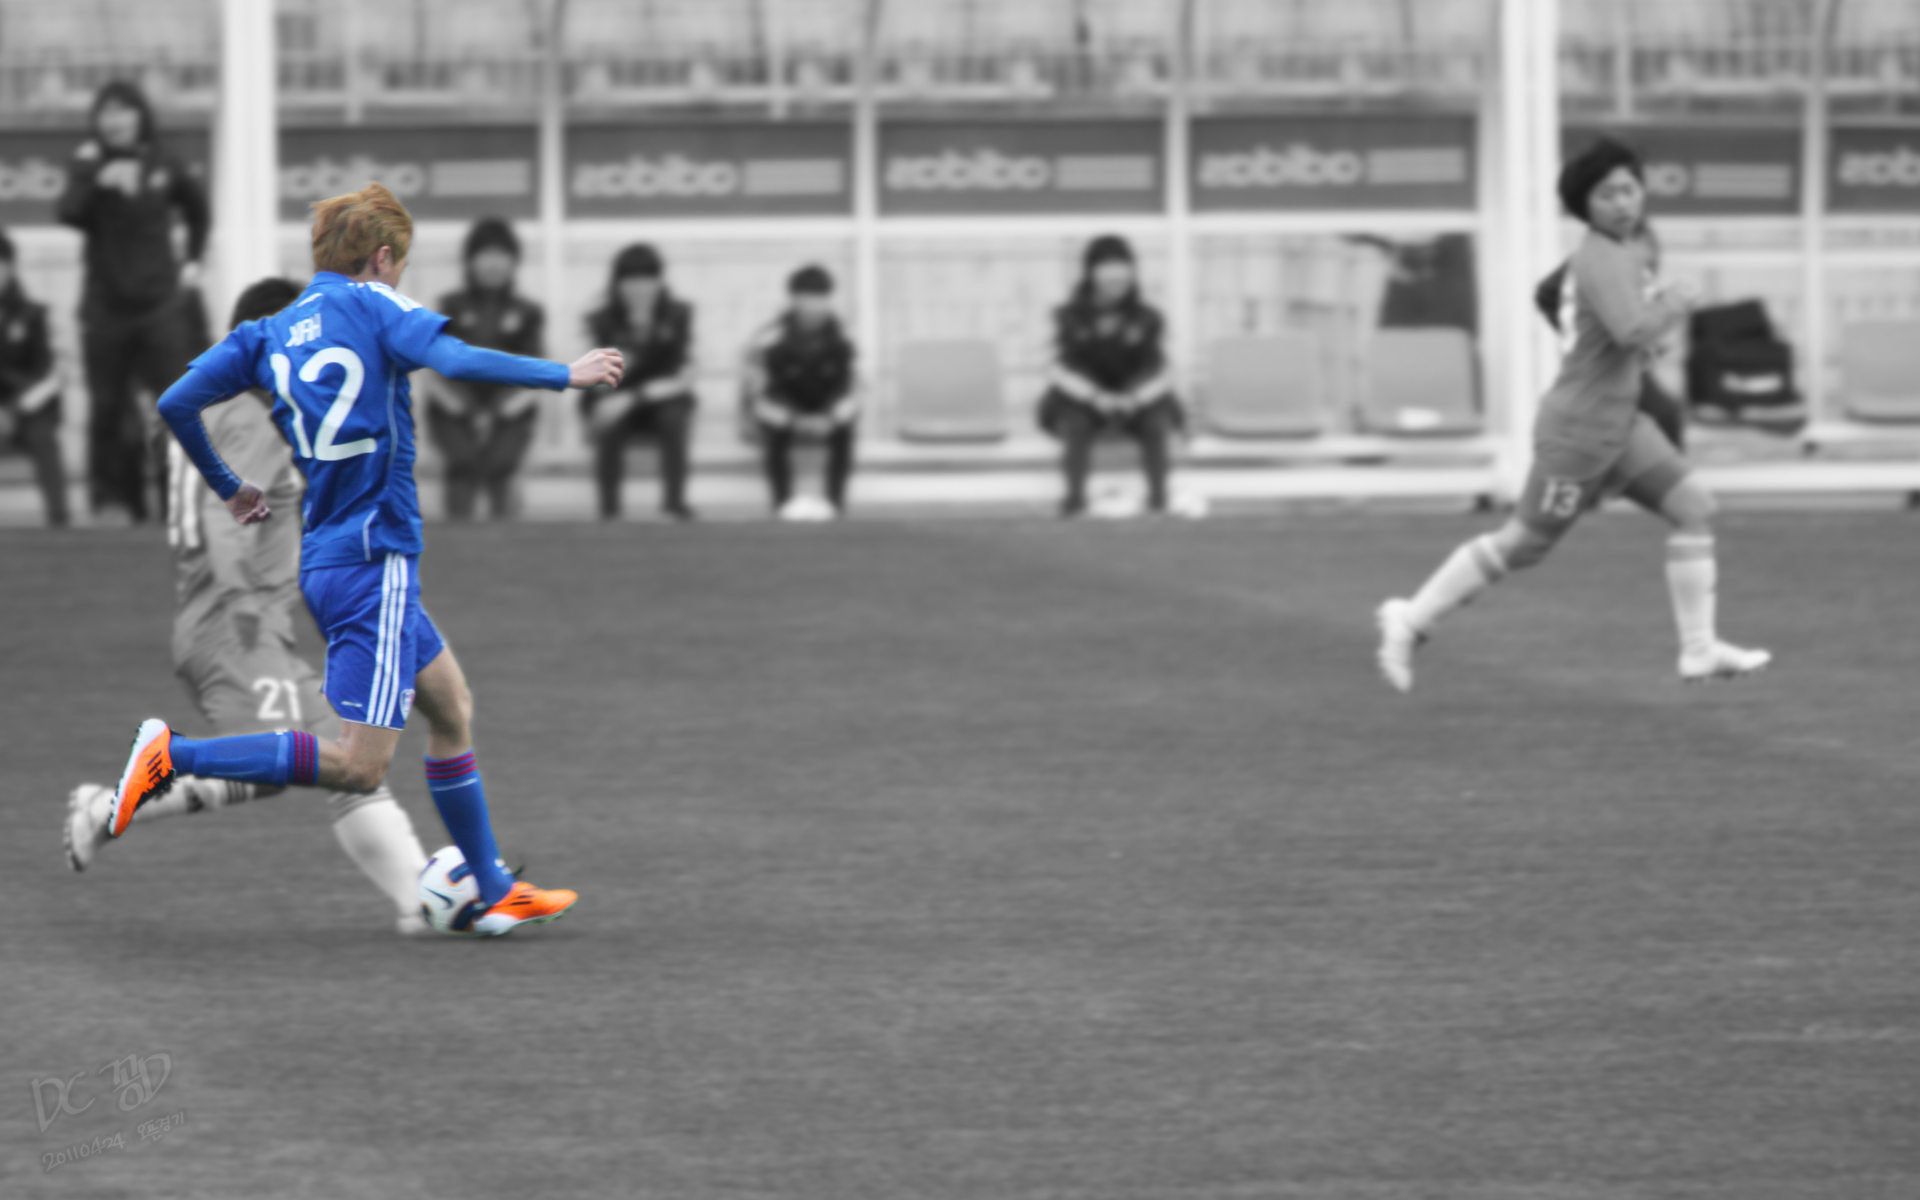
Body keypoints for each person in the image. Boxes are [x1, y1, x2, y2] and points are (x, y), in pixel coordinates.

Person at [103, 182, 624, 937]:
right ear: (381, 258)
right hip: (374, 561)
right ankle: (173, 757)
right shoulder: (376, 305)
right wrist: (563, 375)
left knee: (450, 705)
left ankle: (493, 889)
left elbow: (176, 402)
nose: (400, 277)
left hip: (330, 558)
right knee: (358, 765)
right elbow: (454, 357)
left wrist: (230, 487)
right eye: (400, 264)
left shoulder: (265, 333)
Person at [65, 278, 432, 936]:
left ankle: (419, 904)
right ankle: (110, 806)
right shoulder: (250, 417)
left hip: (229, 620)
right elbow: (224, 512)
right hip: (233, 624)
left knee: (349, 761)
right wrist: (243, 603)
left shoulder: (211, 408)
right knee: (287, 768)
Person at [1375, 138, 1771, 691]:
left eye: (1629, 189)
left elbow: (1567, 304)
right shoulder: (1603, 256)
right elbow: (1631, 329)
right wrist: (1674, 302)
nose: (1622, 202)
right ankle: (1410, 620)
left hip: (1620, 422)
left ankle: (1699, 650)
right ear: (1584, 205)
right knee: (1525, 543)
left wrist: (1615, 341)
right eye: (1606, 194)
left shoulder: (1618, 254)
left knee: (1694, 507)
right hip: (1581, 432)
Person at [58, 80, 208, 524]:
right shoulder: (87, 162)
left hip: (160, 308)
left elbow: (199, 210)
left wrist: (193, 262)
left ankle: (176, 501)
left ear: (140, 116)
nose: (115, 121)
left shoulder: (164, 161)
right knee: (108, 408)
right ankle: (115, 503)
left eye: (124, 111)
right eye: (106, 112)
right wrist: (95, 179)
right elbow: (69, 212)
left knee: (172, 405)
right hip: (105, 309)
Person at [1039, 235, 1182, 517]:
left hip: (1135, 403)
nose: (1116, 279)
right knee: (1075, 422)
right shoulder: (1067, 316)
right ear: (1091, 272)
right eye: (1108, 269)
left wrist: (1135, 398)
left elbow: (1163, 371)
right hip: (1082, 401)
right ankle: (1074, 505)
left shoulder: (1149, 318)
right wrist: (1095, 397)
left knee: (1157, 421)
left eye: (1122, 270)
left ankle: (1159, 503)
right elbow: (1055, 369)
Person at [419, 217, 546, 520]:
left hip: (510, 411)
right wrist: (466, 411)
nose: (493, 264)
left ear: (513, 261)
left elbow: (536, 373)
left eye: (501, 255)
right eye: (485, 254)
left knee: (500, 464)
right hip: (454, 409)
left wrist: (498, 413)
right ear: (470, 260)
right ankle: (458, 535)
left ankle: (507, 536)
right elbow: (432, 370)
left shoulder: (529, 312)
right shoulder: (449, 306)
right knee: (464, 464)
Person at [582, 244, 696, 521]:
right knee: (609, 417)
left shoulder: (678, 314)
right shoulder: (602, 320)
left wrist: (634, 398)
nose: (639, 289)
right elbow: (595, 382)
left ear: (659, 282)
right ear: (617, 284)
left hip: (660, 400)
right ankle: (610, 513)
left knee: (673, 415)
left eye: (647, 280)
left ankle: (674, 507)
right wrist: (622, 365)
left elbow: (684, 378)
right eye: (631, 281)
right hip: (614, 399)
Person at [743, 265, 858, 519]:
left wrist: (831, 417)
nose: (814, 307)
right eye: (807, 299)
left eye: (821, 299)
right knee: (772, 431)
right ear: (794, 300)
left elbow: (853, 388)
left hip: (827, 412)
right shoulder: (768, 338)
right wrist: (793, 419)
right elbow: (757, 393)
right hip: (784, 412)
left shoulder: (844, 337)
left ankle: (835, 507)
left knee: (847, 427)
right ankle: (782, 506)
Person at [0, 229, 68, 526]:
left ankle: (59, 520)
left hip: (27, 408)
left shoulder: (33, 315)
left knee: (42, 435)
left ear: (9, 266)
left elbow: (51, 374)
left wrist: (15, 409)